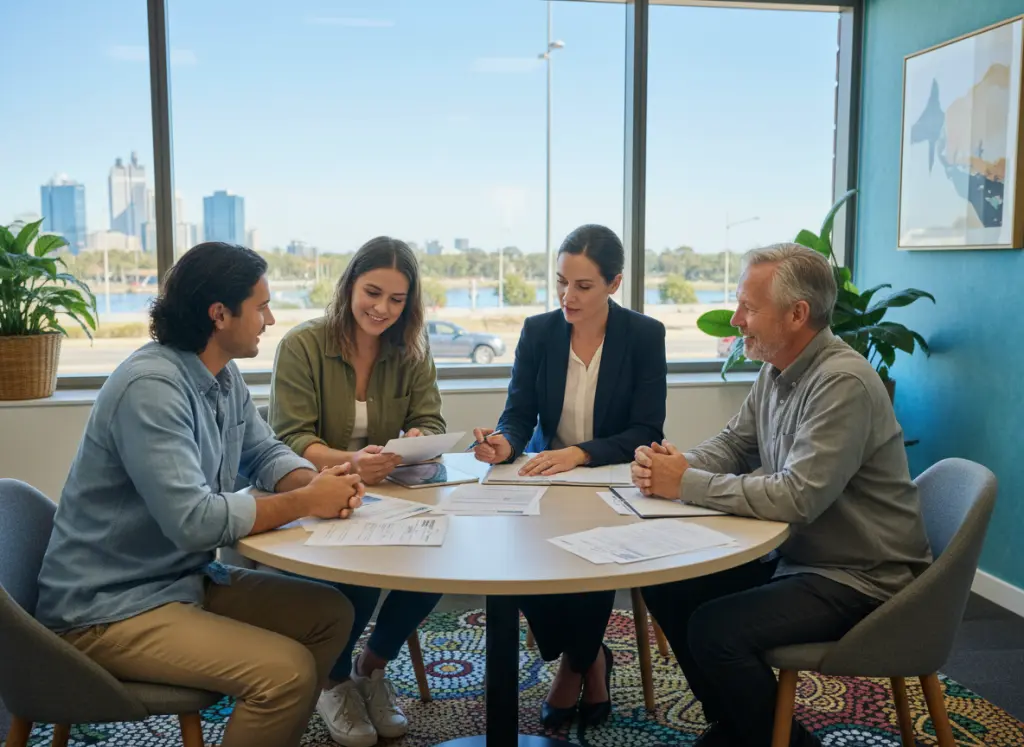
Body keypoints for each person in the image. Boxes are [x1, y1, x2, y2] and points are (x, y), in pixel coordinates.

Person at [34, 242, 366, 747]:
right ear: (219, 314)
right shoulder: (151, 388)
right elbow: (194, 521)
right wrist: (305, 502)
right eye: (260, 306)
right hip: (108, 610)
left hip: (179, 579)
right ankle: (268, 705)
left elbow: (264, 452)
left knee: (330, 614)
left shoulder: (220, 374)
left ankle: (265, 729)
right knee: (288, 673)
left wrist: (318, 485)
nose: (270, 319)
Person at [631, 243, 933, 747]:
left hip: (861, 575)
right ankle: (742, 724)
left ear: (797, 314)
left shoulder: (843, 383)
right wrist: (675, 466)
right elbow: (734, 443)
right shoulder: (776, 371)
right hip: (804, 557)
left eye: (748, 307)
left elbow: (796, 498)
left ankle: (781, 739)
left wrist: (683, 482)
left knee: (715, 630)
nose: (735, 319)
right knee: (669, 584)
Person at [473, 224, 667, 729]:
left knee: (594, 556)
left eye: (583, 286)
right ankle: (589, 657)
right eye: (561, 282)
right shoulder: (539, 332)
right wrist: (504, 444)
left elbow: (645, 430)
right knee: (520, 557)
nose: (567, 296)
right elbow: (518, 414)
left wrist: (579, 454)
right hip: (543, 477)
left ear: (614, 284)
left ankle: (574, 666)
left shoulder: (644, 336)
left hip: (608, 479)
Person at [270, 236, 445, 747]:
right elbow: (289, 438)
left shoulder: (411, 348)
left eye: (397, 300)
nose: (383, 309)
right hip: (315, 495)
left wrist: (417, 439)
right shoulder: (302, 345)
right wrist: (350, 462)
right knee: (364, 574)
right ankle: (334, 680)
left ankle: (371, 669)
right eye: (373, 292)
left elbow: (430, 417)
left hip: (390, 495)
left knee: (435, 560)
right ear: (349, 286)